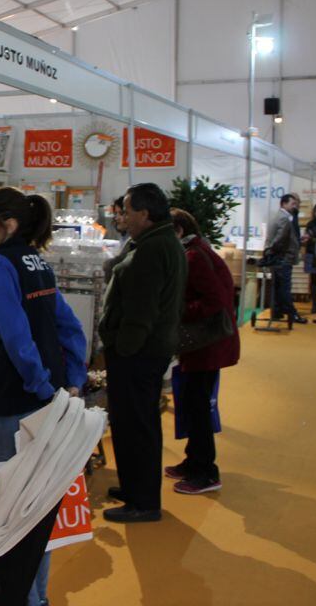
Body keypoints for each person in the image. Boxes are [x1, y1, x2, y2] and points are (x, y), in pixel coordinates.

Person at [0, 186, 87, 606]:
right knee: (36, 514)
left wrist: (40, 385)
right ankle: (38, 597)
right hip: (47, 403)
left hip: (15, 408)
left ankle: (26, 599)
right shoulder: (37, 262)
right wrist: (70, 380)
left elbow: (16, 337)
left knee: (9, 515)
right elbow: (69, 326)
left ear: (9, 224)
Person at [99, 183, 187, 523]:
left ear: (145, 214)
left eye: (127, 211)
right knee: (134, 423)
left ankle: (144, 501)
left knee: (136, 425)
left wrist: (123, 348)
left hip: (138, 354)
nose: (123, 217)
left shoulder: (153, 249)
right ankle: (135, 487)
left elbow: (141, 310)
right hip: (144, 352)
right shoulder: (157, 242)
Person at [169, 209, 239, 495]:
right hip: (203, 346)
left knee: (198, 406)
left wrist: (179, 312)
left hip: (206, 346)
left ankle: (206, 472)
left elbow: (215, 300)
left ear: (179, 231)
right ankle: (194, 461)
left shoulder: (195, 257)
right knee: (193, 402)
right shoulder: (197, 252)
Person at [264, 193, 306, 324]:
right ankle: (291, 313)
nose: (295, 206)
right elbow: (279, 239)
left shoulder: (281, 217)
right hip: (282, 258)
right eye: (292, 204)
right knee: (284, 287)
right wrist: (277, 252)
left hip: (278, 257)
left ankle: (277, 311)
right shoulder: (283, 218)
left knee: (278, 286)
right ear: (284, 204)